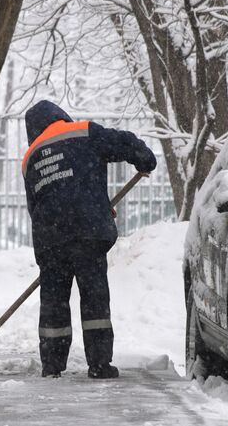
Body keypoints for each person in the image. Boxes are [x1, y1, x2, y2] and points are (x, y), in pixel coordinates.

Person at [22, 100, 157, 379]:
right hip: (88, 232)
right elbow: (122, 142)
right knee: (94, 297)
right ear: (60, 117)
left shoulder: (31, 156)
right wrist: (143, 158)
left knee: (53, 303)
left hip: (51, 238)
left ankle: (52, 365)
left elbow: (38, 205)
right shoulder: (82, 132)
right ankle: (99, 364)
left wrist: (74, 217)